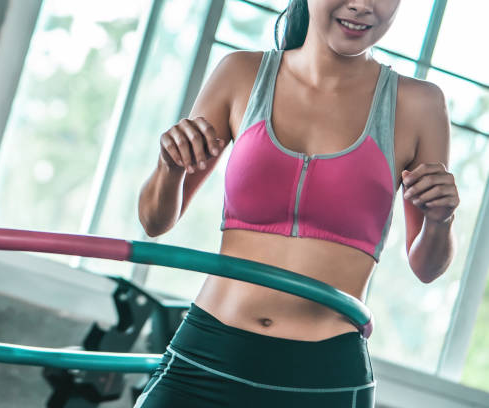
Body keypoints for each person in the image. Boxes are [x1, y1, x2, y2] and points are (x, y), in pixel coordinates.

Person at [135, 0, 459, 407]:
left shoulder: (420, 104)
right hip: (208, 354)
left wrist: (441, 220)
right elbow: (153, 222)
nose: (361, 5)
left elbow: (427, 268)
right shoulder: (241, 73)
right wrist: (170, 167)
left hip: (322, 378)